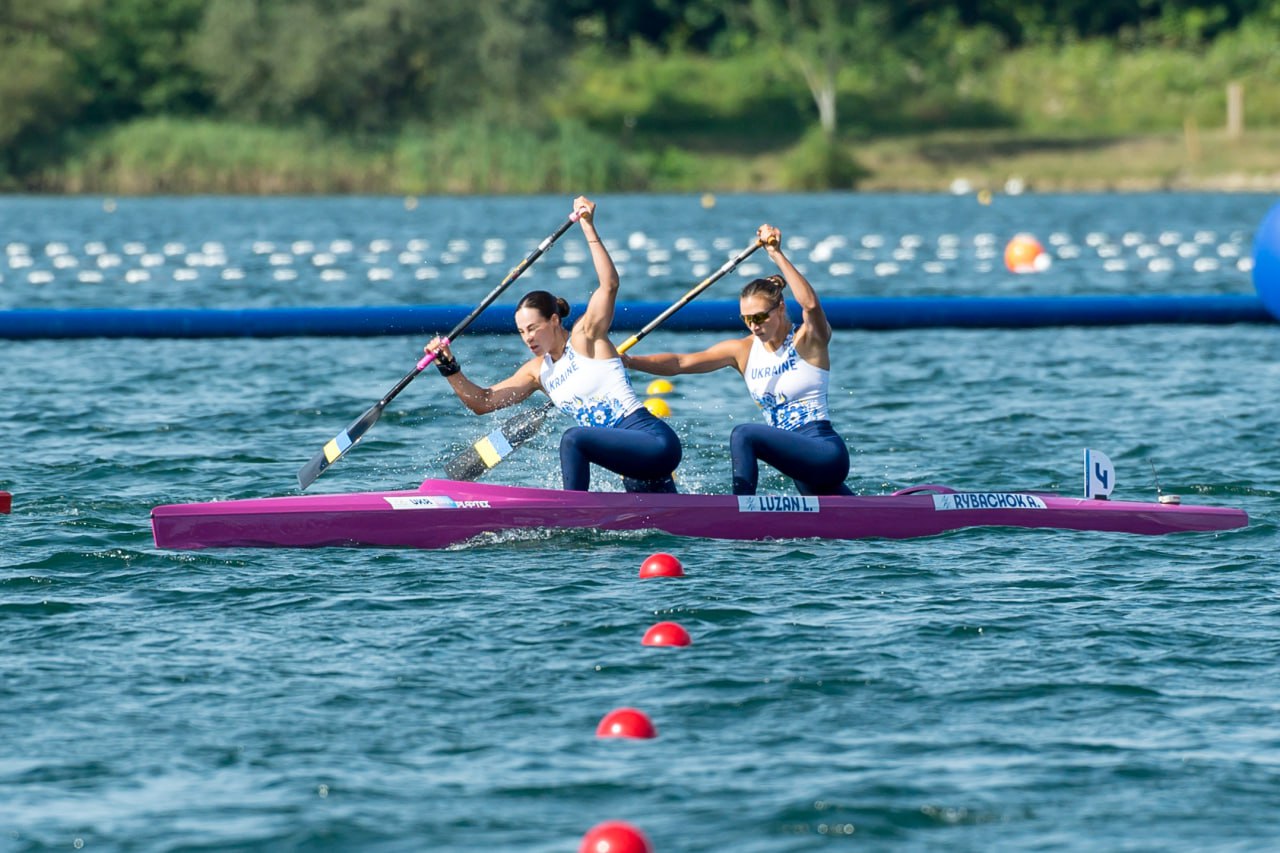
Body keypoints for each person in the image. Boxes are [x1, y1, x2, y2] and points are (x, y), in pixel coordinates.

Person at [424, 196, 682, 493]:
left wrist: (588, 226)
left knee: (574, 438)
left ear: (555, 321)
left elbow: (609, 285)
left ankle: (571, 514)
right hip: (630, 462)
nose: (528, 337)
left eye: (533, 328)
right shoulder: (537, 372)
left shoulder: (586, 338)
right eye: (522, 331)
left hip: (654, 442)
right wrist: (448, 367)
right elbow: (482, 403)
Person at [623, 223, 853, 496]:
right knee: (855, 518)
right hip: (798, 465)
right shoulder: (742, 351)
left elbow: (811, 306)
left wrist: (776, 253)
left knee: (744, 434)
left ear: (780, 309)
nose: (753, 325)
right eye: (746, 319)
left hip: (824, 452)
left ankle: (740, 507)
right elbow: (680, 363)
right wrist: (628, 360)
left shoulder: (808, 340)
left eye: (759, 317)